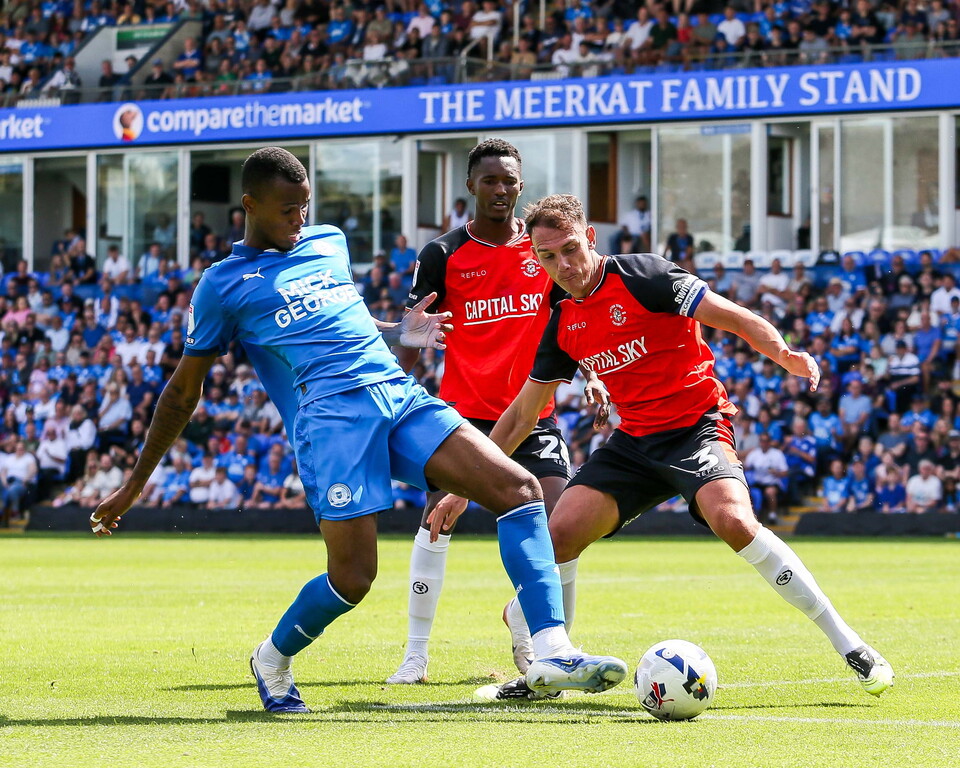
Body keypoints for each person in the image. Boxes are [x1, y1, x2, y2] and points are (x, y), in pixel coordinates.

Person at [92, 147, 627, 714]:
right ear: (248, 205)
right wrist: (135, 483)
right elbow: (182, 391)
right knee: (353, 577)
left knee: (517, 489)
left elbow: (340, 314)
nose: (299, 219)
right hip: (331, 422)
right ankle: (271, 658)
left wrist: (399, 331)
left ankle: (550, 649)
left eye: (304, 207)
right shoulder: (222, 286)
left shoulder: (327, 241)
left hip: (398, 397)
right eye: (286, 210)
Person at [430, 193, 894, 700]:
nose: (562, 266)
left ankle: (848, 642)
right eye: (546, 257)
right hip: (633, 444)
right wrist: (464, 486)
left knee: (734, 521)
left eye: (568, 250)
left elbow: (731, 315)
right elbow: (522, 414)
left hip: (695, 426)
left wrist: (784, 353)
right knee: (555, 537)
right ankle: (544, 669)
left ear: (589, 238)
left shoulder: (643, 275)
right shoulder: (561, 319)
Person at [387, 139, 605, 686]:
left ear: (520, 184)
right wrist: (402, 357)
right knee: (437, 519)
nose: (500, 190)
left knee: (564, 525)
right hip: (461, 417)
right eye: (490, 180)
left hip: (532, 415)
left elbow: (573, 326)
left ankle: (531, 629)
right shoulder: (442, 255)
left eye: (509, 180)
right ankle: (415, 655)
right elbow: (414, 333)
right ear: (470, 185)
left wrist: (592, 374)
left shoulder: (544, 252)